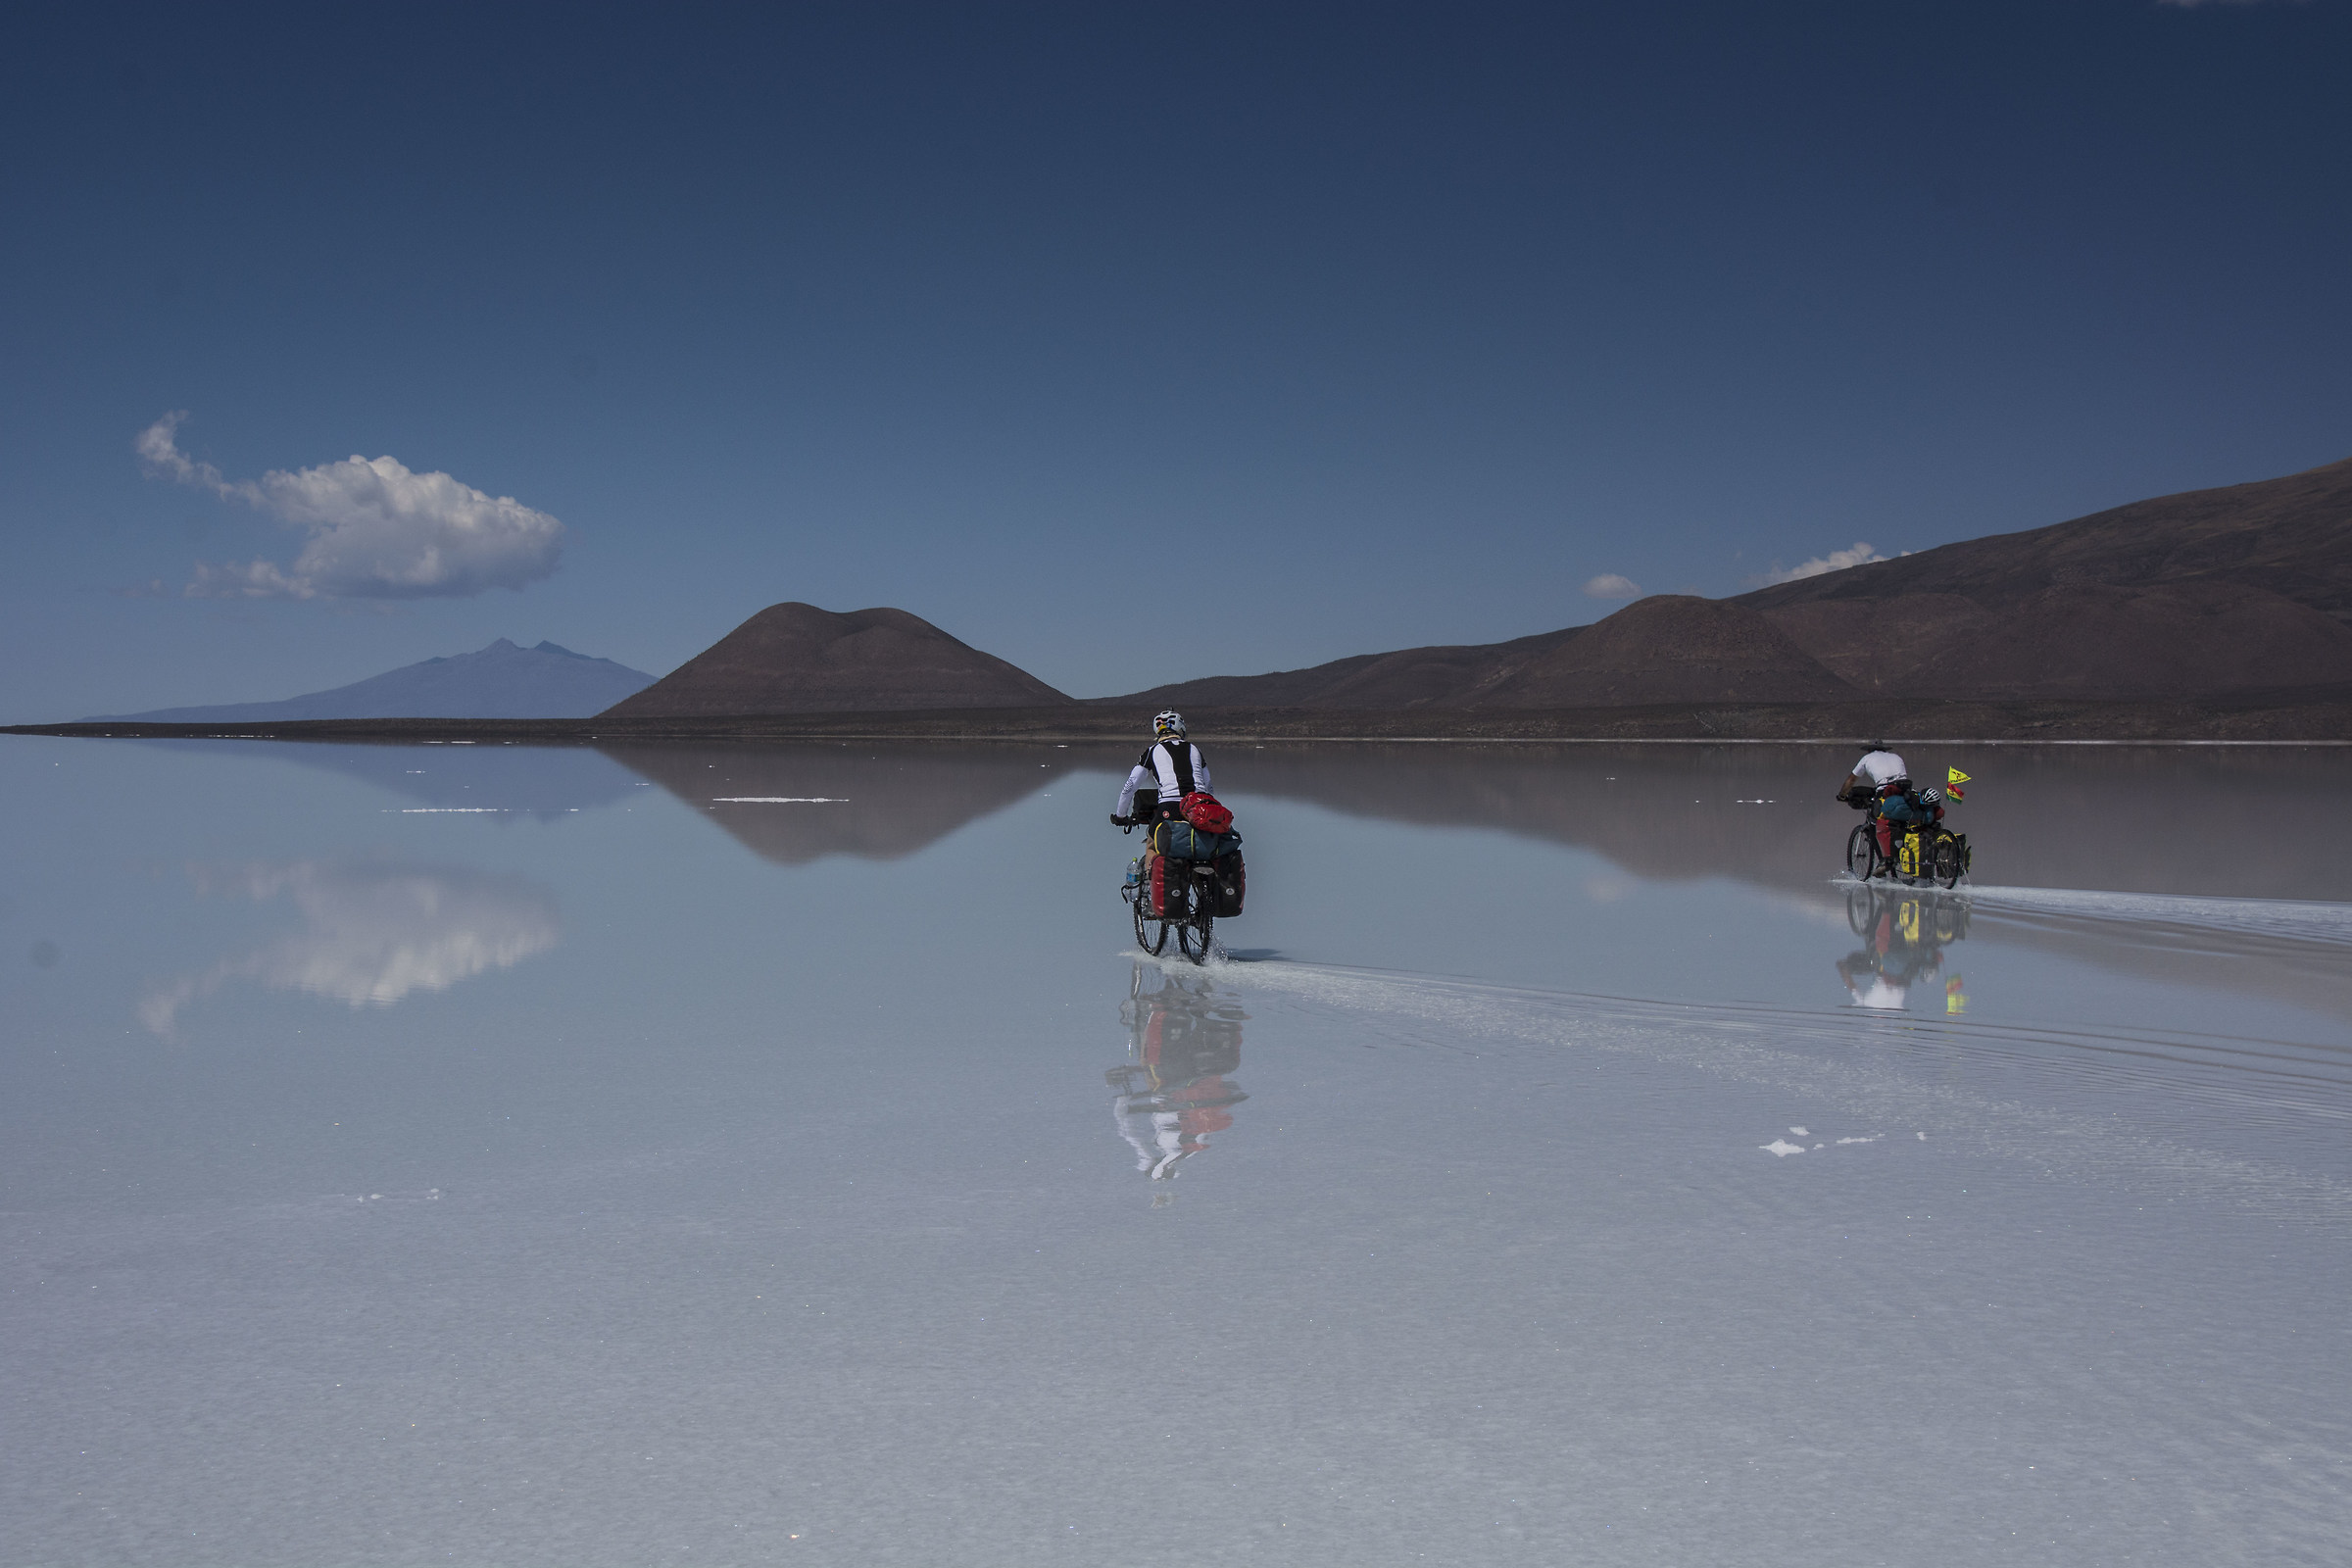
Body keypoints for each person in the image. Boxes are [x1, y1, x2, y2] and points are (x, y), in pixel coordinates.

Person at [1839, 741, 1942, 864]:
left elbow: (1851, 780)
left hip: (1885, 790)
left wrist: (1842, 795)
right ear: (1884, 750)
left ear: (1869, 750)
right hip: (1905, 790)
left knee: (1873, 824)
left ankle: (1883, 861)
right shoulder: (1896, 757)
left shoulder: (1866, 758)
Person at [1111, 710, 1211, 827]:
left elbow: (1130, 785)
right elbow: (1208, 784)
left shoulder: (1152, 751)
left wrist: (1120, 816)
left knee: (1153, 839)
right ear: (1181, 729)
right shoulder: (1195, 749)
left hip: (1170, 806)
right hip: (1201, 804)